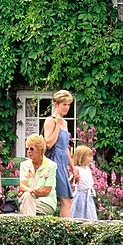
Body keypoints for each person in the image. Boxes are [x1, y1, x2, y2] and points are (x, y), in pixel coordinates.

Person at [42, 89, 77, 217]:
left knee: (66, 200)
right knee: (66, 199)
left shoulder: (65, 122)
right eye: (64, 104)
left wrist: (73, 168)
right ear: (57, 104)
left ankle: (63, 230)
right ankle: (65, 232)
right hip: (53, 161)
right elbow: (48, 143)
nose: (67, 108)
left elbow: (65, 147)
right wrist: (57, 125)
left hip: (62, 162)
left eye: (68, 105)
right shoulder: (50, 120)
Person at [18, 133, 57, 216]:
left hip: (46, 202)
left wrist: (32, 192)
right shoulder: (24, 165)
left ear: (40, 150)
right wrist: (30, 191)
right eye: (27, 149)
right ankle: (32, 226)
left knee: (26, 205)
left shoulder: (51, 165)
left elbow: (47, 191)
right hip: (28, 198)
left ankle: (29, 224)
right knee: (28, 196)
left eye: (32, 149)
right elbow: (23, 185)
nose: (28, 151)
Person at [69, 145, 97, 220]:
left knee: (89, 212)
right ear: (82, 157)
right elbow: (71, 181)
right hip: (80, 194)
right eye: (89, 157)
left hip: (87, 195)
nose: (91, 159)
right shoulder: (77, 169)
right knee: (79, 212)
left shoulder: (87, 169)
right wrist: (75, 180)